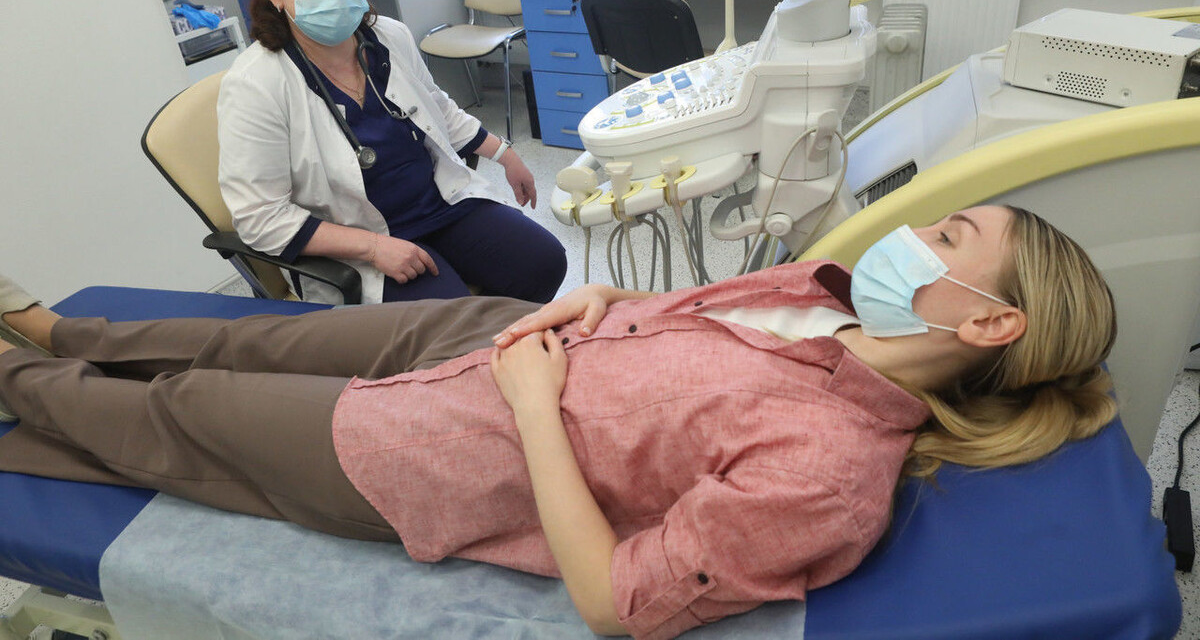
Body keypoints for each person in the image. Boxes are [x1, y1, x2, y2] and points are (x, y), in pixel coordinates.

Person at [0, 206, 1118, 639]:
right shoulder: (826, 293)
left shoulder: (828, 470)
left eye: (948, 238)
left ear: (989, 323)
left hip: (438, 451)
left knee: (185, 411)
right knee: (250, 337)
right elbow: (696, 316)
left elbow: (616, 602)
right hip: (491, 332)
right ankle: (57, 329)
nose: (912, 232)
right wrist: (613, 299)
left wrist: (537, 409)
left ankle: (19, 382)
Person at [218, 0, 566, 304]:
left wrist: (504, 154)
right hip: (358, 238)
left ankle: (495, 330)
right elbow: (259, 218)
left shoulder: (388, 37)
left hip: (438, 205)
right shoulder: (257, 83)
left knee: (543, 261)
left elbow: (437, 107)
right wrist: (372, 247)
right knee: (454, 318)